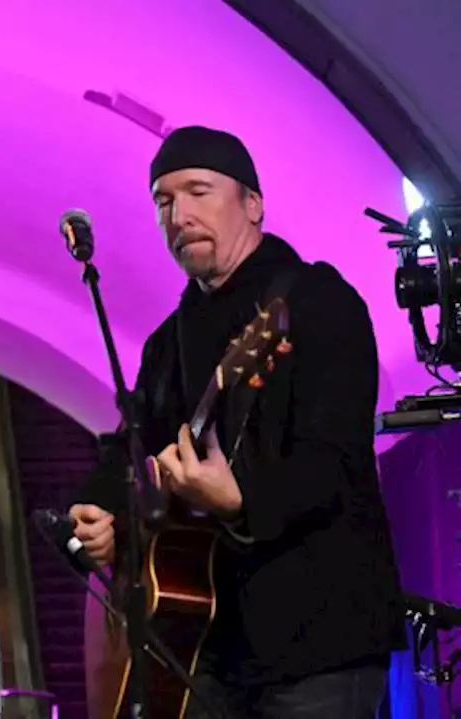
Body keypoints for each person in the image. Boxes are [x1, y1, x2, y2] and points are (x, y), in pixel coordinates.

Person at [69, 126, 405, 718]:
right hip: (205, 644)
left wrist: (240, 500)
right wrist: (101, 515)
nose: (180, 215)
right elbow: (133, 444)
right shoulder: (166, 341)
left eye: (199, 191)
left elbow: (335, 461)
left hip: (320, 637)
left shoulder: (319, 302)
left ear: (253, 204)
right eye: (164, 201)